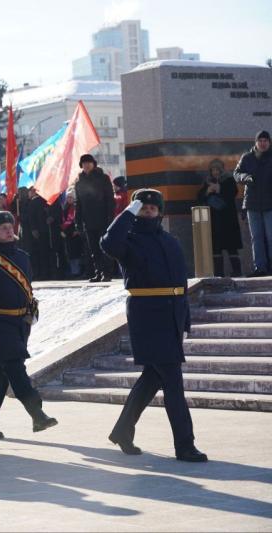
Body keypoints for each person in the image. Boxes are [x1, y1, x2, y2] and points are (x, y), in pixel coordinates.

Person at [101, 189, 207, 462]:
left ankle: (122, 430)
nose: (148, 212)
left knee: (153, 378)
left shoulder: (170, 241)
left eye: (152, 208)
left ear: (160, 212)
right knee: (172, 380)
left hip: (171, 315)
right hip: (147, 315)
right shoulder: (128, 240)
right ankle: (185, 445)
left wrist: (185, 321)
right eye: (143, 208)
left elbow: (180, 283)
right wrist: (128, 211)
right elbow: (108, 244)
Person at [0, 211, 58, 439]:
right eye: (3, 228)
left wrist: (31, 312)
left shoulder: (22, 256)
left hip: (20, 322)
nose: (9, 230)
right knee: (16, 368)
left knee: (3, 374)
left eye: (10, 226)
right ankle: (37, 414)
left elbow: (27, 289)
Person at [234, 130, 272, 276]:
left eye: (265, 140)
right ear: (256, 142)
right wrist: (245, 177)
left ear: (269, 142)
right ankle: (260, 267)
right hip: (252, 204)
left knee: (270, 236)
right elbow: (236, 174)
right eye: (260, 140)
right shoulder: (247, 157)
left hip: (270, 204)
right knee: (256, 237)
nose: (263, 143)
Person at [198, 159, 243, 277]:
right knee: (216, 247)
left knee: (231, 247)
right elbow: (199, 197)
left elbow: (233, 192)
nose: (215, 172)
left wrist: (219, 189)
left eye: (217, 169)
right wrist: (207, 191)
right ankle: (219, 274)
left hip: (228, 219)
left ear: (222, 170)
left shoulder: (229, 180)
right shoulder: (208, 182)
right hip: (214, 220)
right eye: (213, 170)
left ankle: (237, 272)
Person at [74, 154, 115, 282]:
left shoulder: (103, 178)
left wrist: (110, 217)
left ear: (94, 164)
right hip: (88, 220)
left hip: (103, 218)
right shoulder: (79, 182)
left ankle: (107, 273)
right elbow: (78, 204)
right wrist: (78, 221)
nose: (86, 165)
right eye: (84, 163)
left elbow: (110, 200)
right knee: (93, 248)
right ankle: (98, 272)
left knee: (104, 246)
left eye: (89, 163)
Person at [60, 193, 84, 278]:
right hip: (67, 233)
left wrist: (77, 231)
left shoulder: (76, 207)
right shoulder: (65, 207)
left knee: (76, 253)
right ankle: (73, 271)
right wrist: (62, 230)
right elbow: (63, 220)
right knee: (70, 253)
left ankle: (77, 271)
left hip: (74, 233)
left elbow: (76, 219)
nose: (69, 199)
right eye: (68, 197)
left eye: (71, 197)